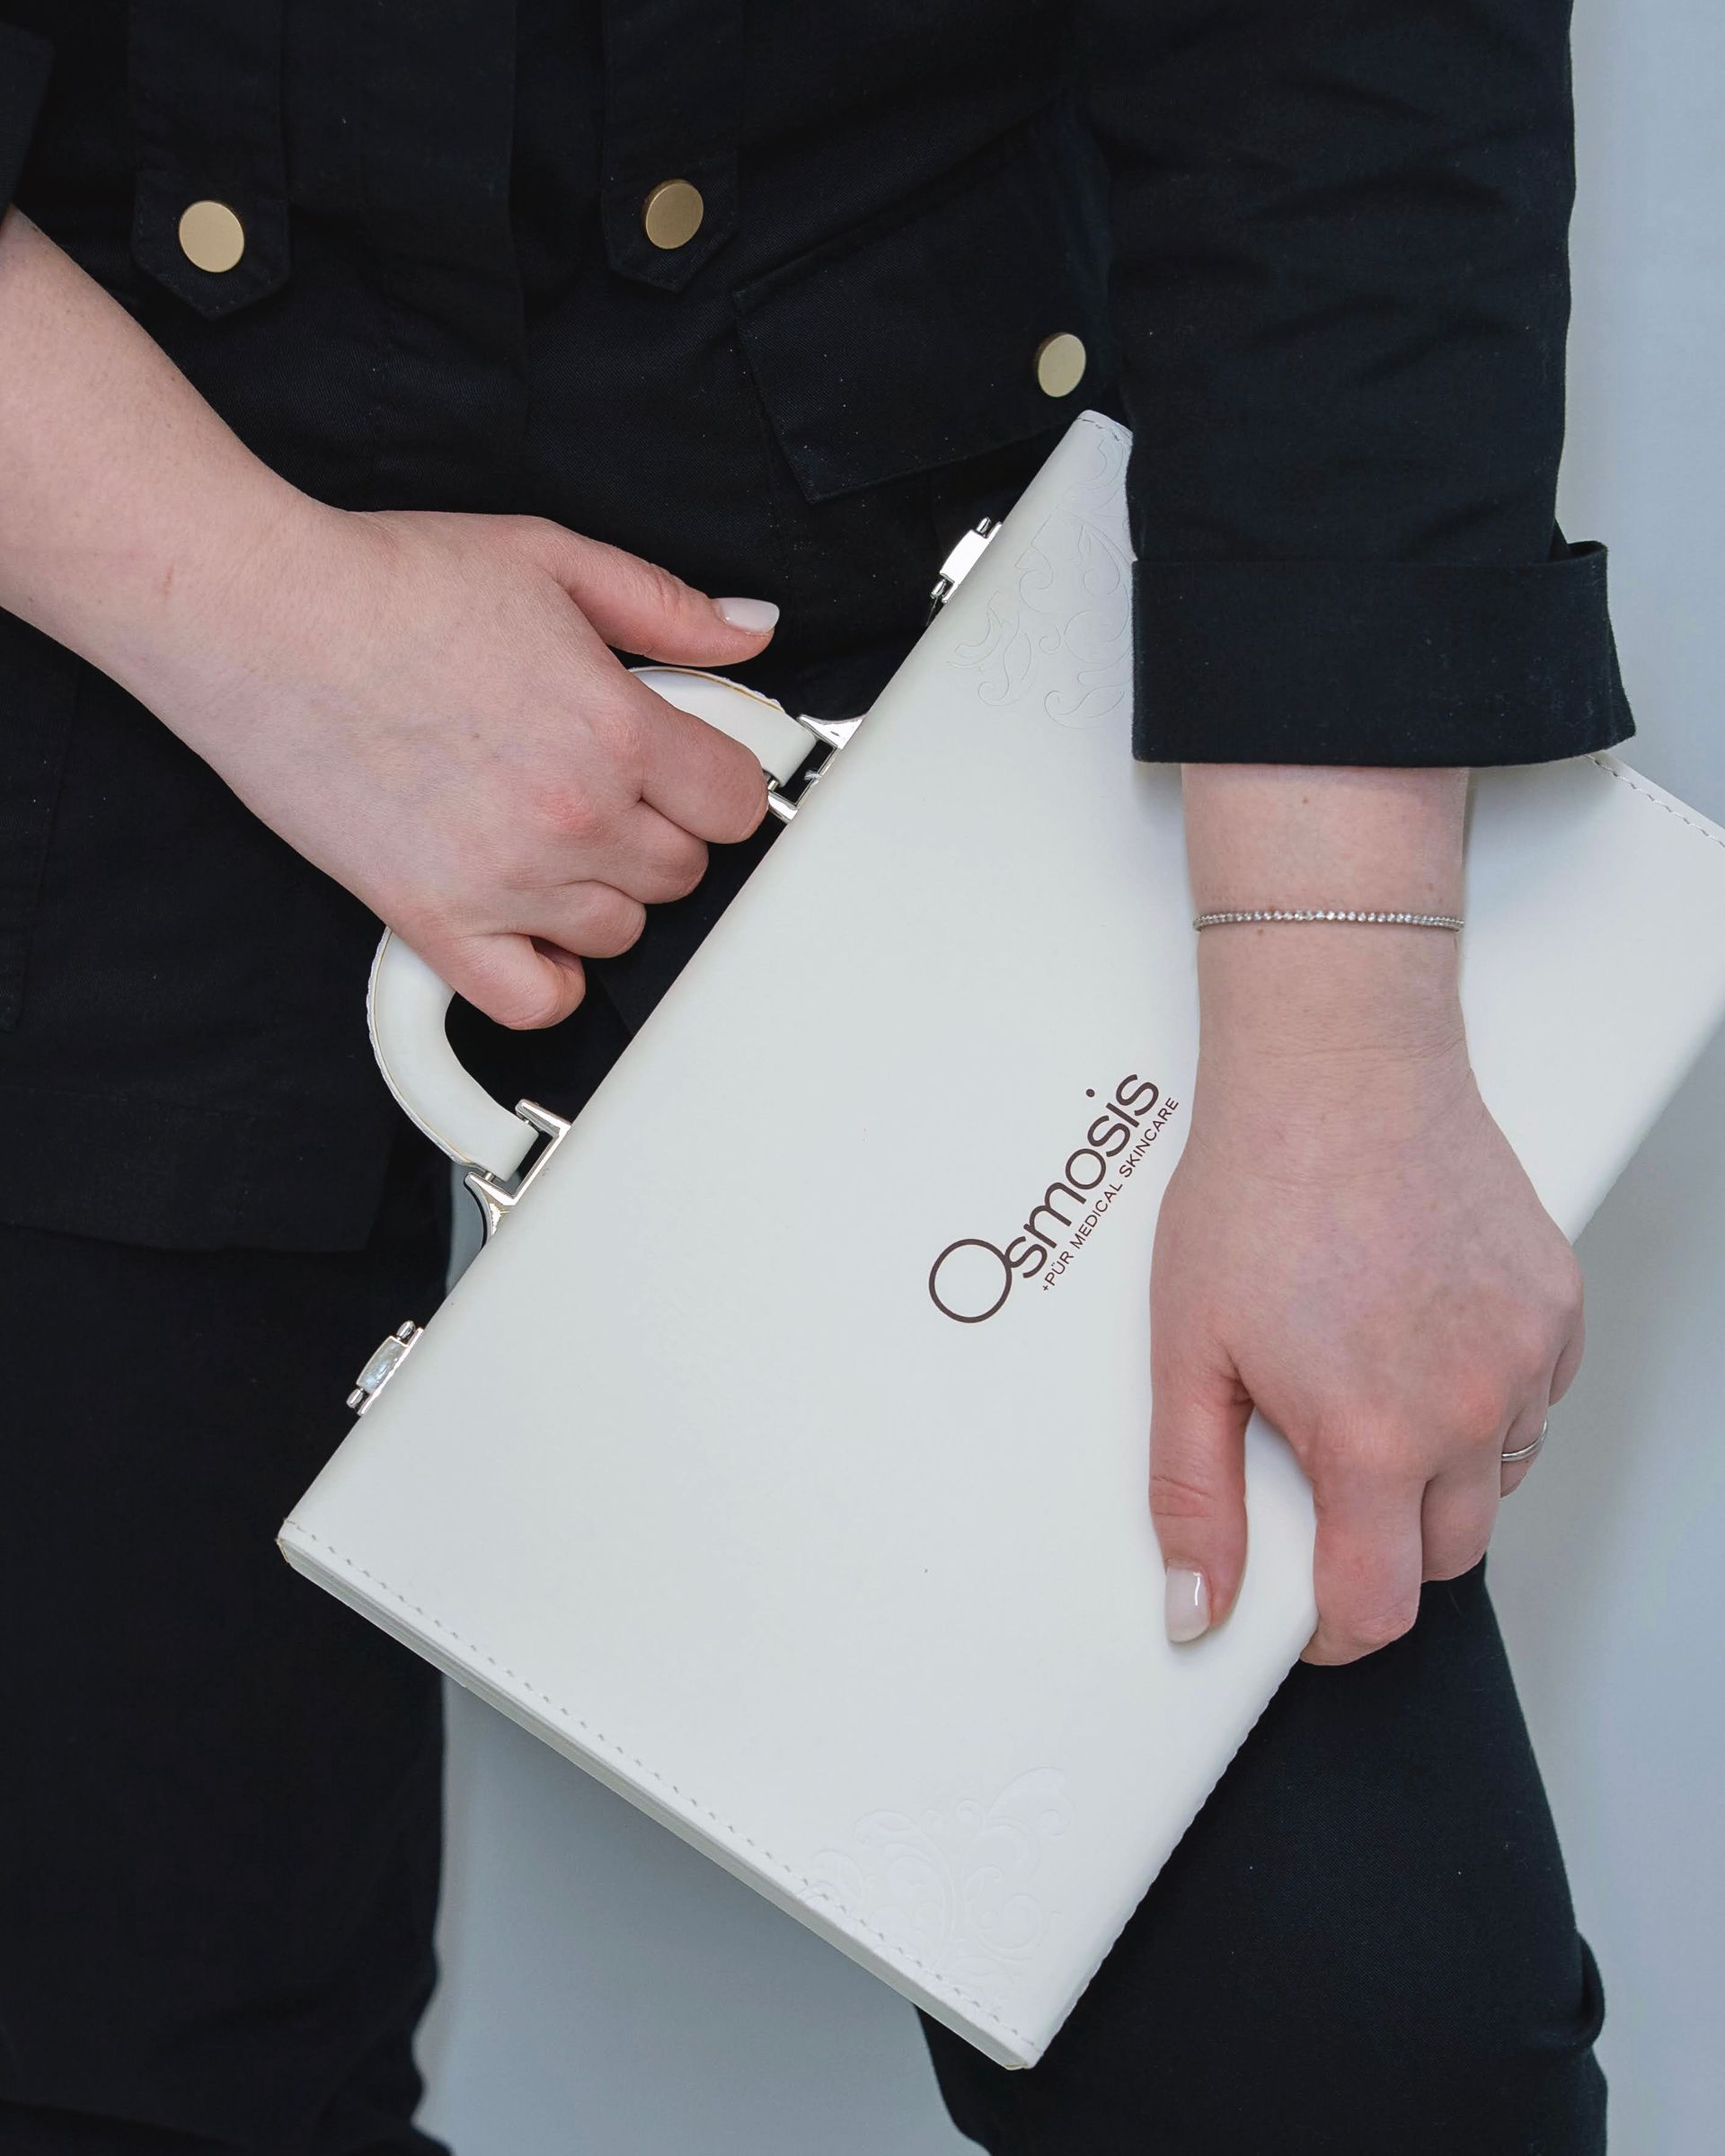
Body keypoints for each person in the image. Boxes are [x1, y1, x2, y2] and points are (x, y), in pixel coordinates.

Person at [0, 3, 1623, 2151]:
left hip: (905, 615)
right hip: (72, 565)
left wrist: (1340, 1024)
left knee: (1350, 2059)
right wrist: (275, 626)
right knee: (114, 2059)